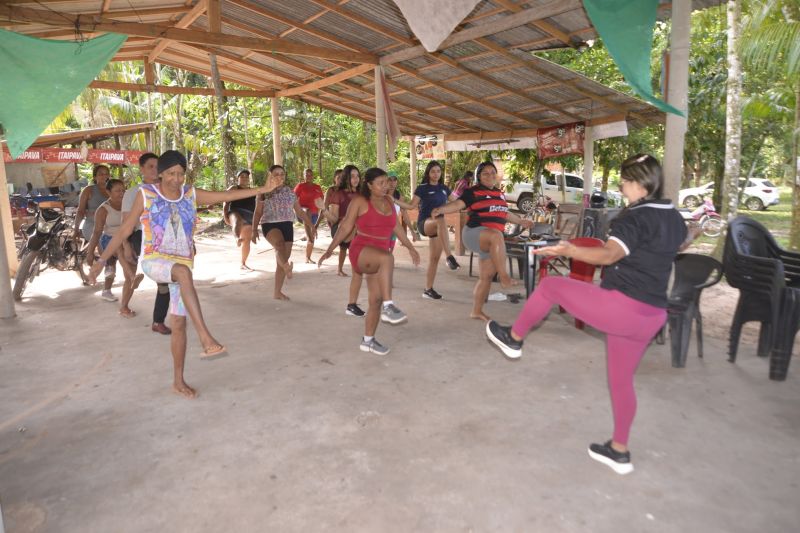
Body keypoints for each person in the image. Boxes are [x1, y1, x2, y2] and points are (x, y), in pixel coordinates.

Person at [484, 154, 688, 475]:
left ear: (639, 183)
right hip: (652, 316)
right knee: (621, 382)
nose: (622, 188)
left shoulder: (634, 218)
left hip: (624, 308)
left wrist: (568, 249)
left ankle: (515, 338)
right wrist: (700, 228)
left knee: (551, 286)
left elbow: (609, 254)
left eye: (624, 182)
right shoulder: (674, 216)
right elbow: (680, 244)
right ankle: (619, 451)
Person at [88, 150, 279, 399]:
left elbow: (229, 194)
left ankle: (178, 381)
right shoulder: (147, 195)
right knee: (182, 273)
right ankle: (206, 337)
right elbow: (125, 229)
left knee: (178, 323)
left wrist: (262, 189)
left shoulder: (190, 194)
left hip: (182, 266)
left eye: (180, 173)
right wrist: (101, 260)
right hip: (155, 261)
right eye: (170, 174)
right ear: (160, 174)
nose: (176, 179)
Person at [318, 167, 420, 355]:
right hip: (361, 252)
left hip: (379, 256)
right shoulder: (359, 201)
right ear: (370, 185)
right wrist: (330, 249)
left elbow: (396, 227)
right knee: (388, 259)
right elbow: (345, 227)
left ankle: (368, 341)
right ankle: (390, 307)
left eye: (386, 182)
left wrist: (411, 247)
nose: (385, 186)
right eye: (380, 183)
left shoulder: (389, 201)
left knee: (375, 300)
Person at [432, 161, 532, 321]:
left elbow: (504, 213)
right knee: (497, 235)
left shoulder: (499, 193)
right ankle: (504, 276)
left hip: (492, 242)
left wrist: (521, 222)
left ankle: (476, 311)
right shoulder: (473, 192)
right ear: (478, 176)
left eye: (493, 172)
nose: (490, 175)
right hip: (473, 234)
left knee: (485, 277)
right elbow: (457, 204)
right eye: (486, 173)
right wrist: (441, 209)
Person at [122, 152, 172, 335]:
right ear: (141, 169)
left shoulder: (168, 190)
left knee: (168, 281)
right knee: (164, 279)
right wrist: (126, 246)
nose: (155, 170)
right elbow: (126, 223)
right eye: (150, 166)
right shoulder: (133, 193)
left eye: (158, 167)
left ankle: (159, 321)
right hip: (141, 237)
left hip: (167, 238)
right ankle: (156, 319)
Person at [395, 160, 459, 301]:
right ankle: (449, 256)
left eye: (438, 171)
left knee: (434, 259)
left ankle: (428, 289)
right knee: (441, 219)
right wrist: (394, 200)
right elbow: (411, 206)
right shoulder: (422, 188)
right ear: (428, 173)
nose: (436, 174)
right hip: (425, 224)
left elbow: (457, 202)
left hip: (438, 228)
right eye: (433, 171)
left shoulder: (444, 188)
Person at [252, 165, 316, 301]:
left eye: (282, 174)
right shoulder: (263, 192)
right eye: (276, 174)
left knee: (281, 261)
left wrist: (311, 225)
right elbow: (258, 212)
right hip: (269, 224)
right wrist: (253, 230)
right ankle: (287, 266)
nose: (280, 177)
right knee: (279, 246)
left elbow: (299, 212)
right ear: (270, 176)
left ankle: (277, 292)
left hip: (287, 225)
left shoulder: (289, 192)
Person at [86, 179, 144, 315]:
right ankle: (131, 275)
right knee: (119, 248)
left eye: (123, 190)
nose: (122, 193)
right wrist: (90, 252)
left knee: (126, 250)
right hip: (109, 239)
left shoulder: (131, 204)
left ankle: (129, 284)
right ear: (108, 192)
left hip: (126, 238)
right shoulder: (103, 209)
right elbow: (96, 232)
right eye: (118, 191)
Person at [223, 169, 256, 270]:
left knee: (246, 241)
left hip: (249, 216)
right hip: (235, 212)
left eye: (246, 176)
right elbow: (225, 201)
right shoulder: (234, 188)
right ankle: (237, 238)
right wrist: (225, 215)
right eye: (242, 176)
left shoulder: (252, 190)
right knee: (238, 220)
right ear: (238, 179)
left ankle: (243, 263)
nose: (244, 178)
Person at [293, 168, 324, 263]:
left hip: (314, 215)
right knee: (307, 211)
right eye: (307, 175)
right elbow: (293, 199)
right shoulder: (300, 186)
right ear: (303, 176)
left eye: (310, 174)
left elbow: (321, 203)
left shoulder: (317, 187)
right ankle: (308, 235)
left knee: (312, 235)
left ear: (313, 176)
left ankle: (308, 258)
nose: (309, 176)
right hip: (301, 213)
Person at [74, 164, 111, 242]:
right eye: (101, 174)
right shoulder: (88, 190)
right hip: (92, 225)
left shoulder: (114, 190)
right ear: (95, 177)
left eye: (106, 174)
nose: (104, 176)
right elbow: (80, 211)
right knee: (103, 240)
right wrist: (76, 229)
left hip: (111, 225)